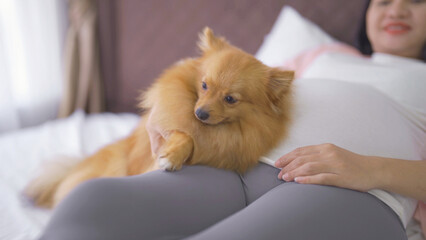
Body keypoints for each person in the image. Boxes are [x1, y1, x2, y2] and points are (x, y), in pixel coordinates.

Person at [39, 0, 426, 239]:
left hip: (353, 190)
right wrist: (165, 109)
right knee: (93, 201)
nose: (396, 9)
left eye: (413, 0)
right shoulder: (320, 53)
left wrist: (368, 168)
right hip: (239, 167)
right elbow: (215, 77)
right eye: (383, 1)